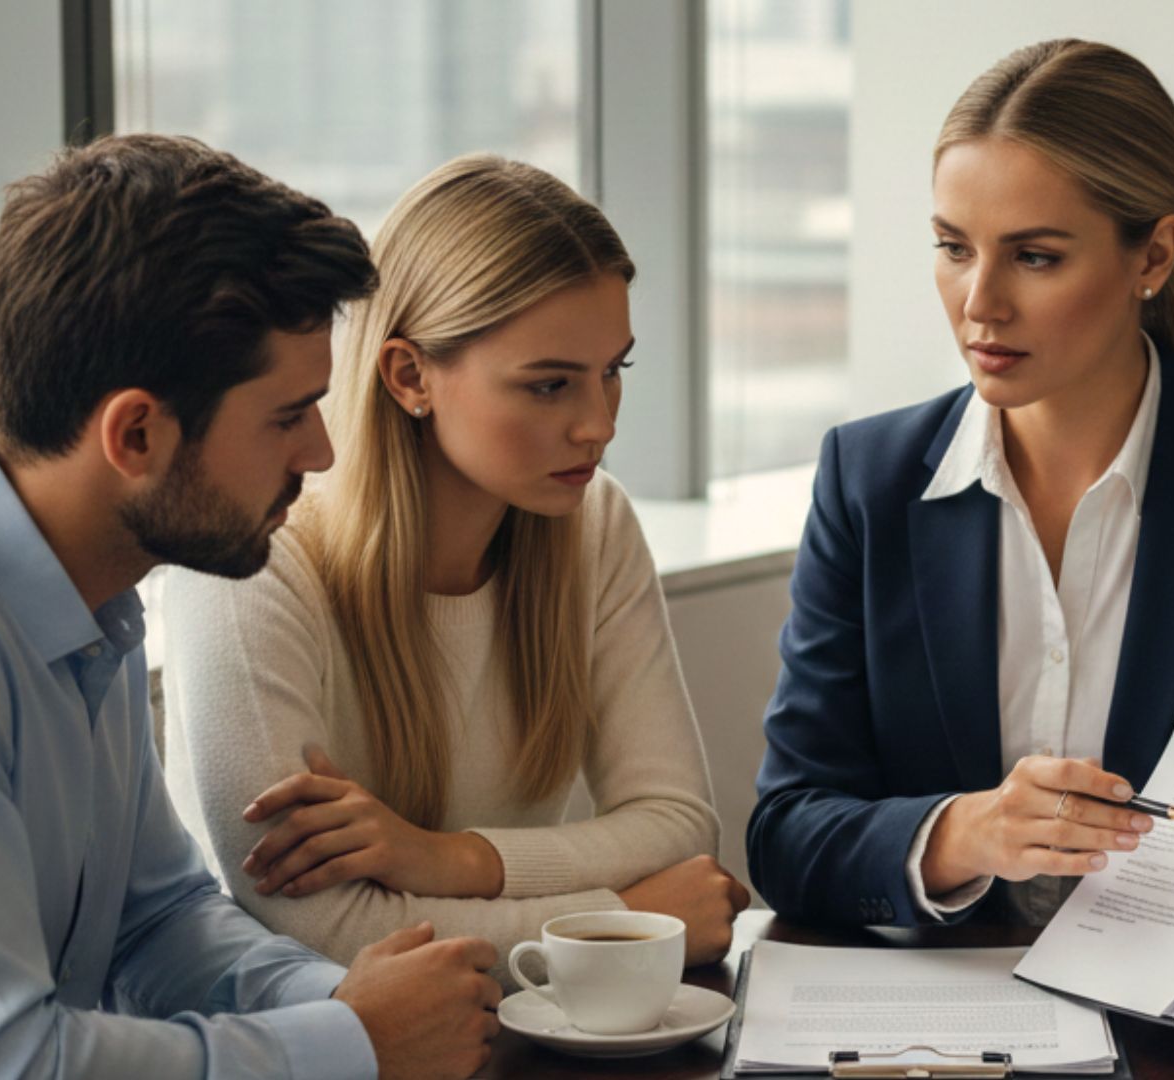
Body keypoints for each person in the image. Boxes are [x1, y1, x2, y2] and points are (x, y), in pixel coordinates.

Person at [0, 134, 504, 1080]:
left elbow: (155, 921)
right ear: (135, 433)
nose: (323, 454)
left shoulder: (95, 591)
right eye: (289, 415)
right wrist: (354, 1045)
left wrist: (341, 1004)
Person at [747, 39, 1174, 966]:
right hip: (938, 1030)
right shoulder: (868, 481)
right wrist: (967, 833)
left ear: (1154, 252)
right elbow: (786, 831)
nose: (978, 304)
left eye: (1034, 256)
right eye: (953, 249)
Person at [160, 153, 746, 988]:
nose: (596, 427)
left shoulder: (593, 522)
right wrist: (626, 925)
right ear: (409, 377)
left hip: (510, 1039)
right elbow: (315, 928)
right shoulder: (256, 561)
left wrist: (443, 859)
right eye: (548, 386)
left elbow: (680, 827)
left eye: (613, 372)